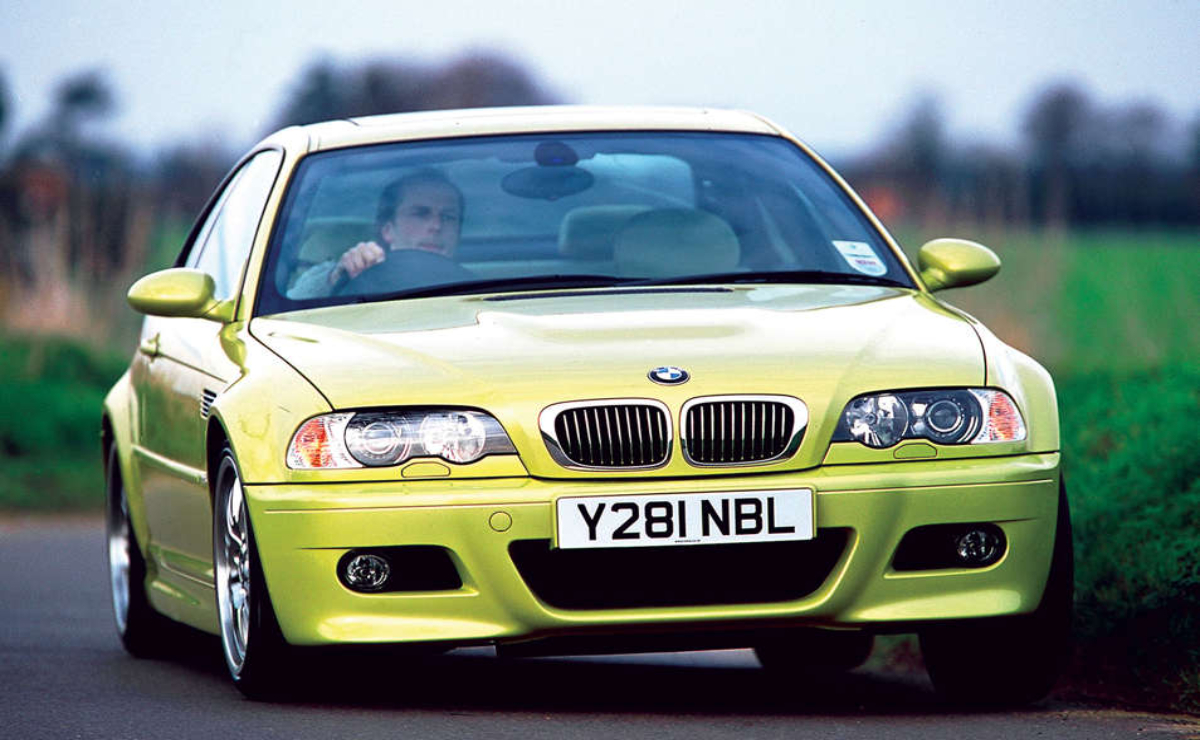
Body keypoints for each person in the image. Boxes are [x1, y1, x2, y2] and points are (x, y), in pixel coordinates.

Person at [288, 169, 464, 298]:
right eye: (420, 214)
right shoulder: (352, 275)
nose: (436, 226)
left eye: (448, 217)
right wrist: (338, 277)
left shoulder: (477, 286)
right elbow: (290, 315)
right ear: (388, 230)